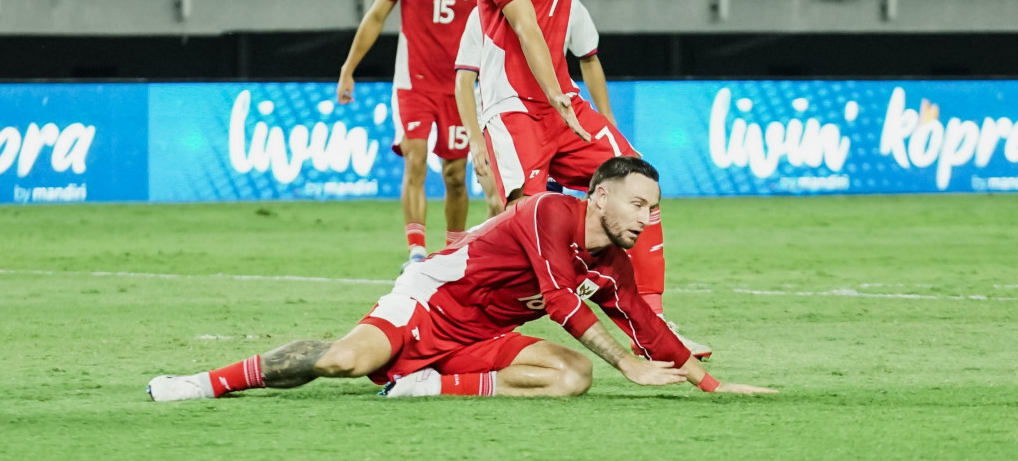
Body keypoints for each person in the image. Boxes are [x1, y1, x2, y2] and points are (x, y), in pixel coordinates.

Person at [146, 157, 777, 401]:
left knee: (571, 377)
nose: (647, 218)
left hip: (483, 335)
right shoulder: (547, 212)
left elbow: (644, 322)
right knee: (341, 361)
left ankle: (425, 386)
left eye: (655, 209)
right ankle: (202, 383)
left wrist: (712, 384)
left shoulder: (613, 261)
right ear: (600, 196)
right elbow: (561, 301)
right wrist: (629, 366)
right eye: (638, 205)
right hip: (429, 301)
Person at [470, 0, 711, 357]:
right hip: (514, 107)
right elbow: (526, 29)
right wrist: (554, 91)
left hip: (564, 102)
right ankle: (465, 314)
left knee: (638, 188)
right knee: (525, 227)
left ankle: (655, 328)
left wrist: (569, 95)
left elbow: (566, 32)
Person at [337, 0, 475, 266]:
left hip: (460, 89)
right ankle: (416, 251)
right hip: (414, 85)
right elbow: (375, 18)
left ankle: (452, 253)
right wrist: (349, 69)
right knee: (416, 159)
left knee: (456, 174)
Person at [455, 0, 607, 218]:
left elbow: (589, 58)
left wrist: (606, 115)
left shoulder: (567, 3)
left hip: (550, 119)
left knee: (547, 206)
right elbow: (464, 79)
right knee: (501, 204)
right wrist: (476, 140)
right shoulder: (484, 13)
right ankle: (484, 241)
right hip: (498, 119)